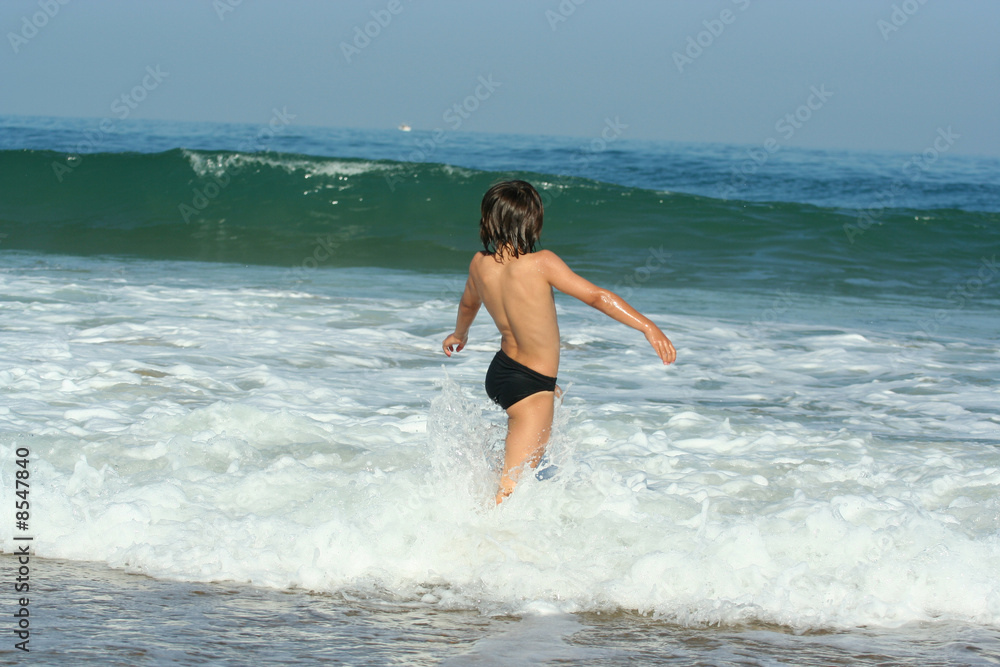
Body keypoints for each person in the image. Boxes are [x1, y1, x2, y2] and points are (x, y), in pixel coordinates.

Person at [442, 180, 676, 504]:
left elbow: (469, 304)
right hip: (530, 384)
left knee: (534, 431)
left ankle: (486, 482)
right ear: (532, 222)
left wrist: (460, 335)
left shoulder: (480, 263)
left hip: (501, 373)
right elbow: (597, 297)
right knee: (512, 491)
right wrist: (648, 327)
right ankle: (482, 540)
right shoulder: (541, 263)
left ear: (489, 220)